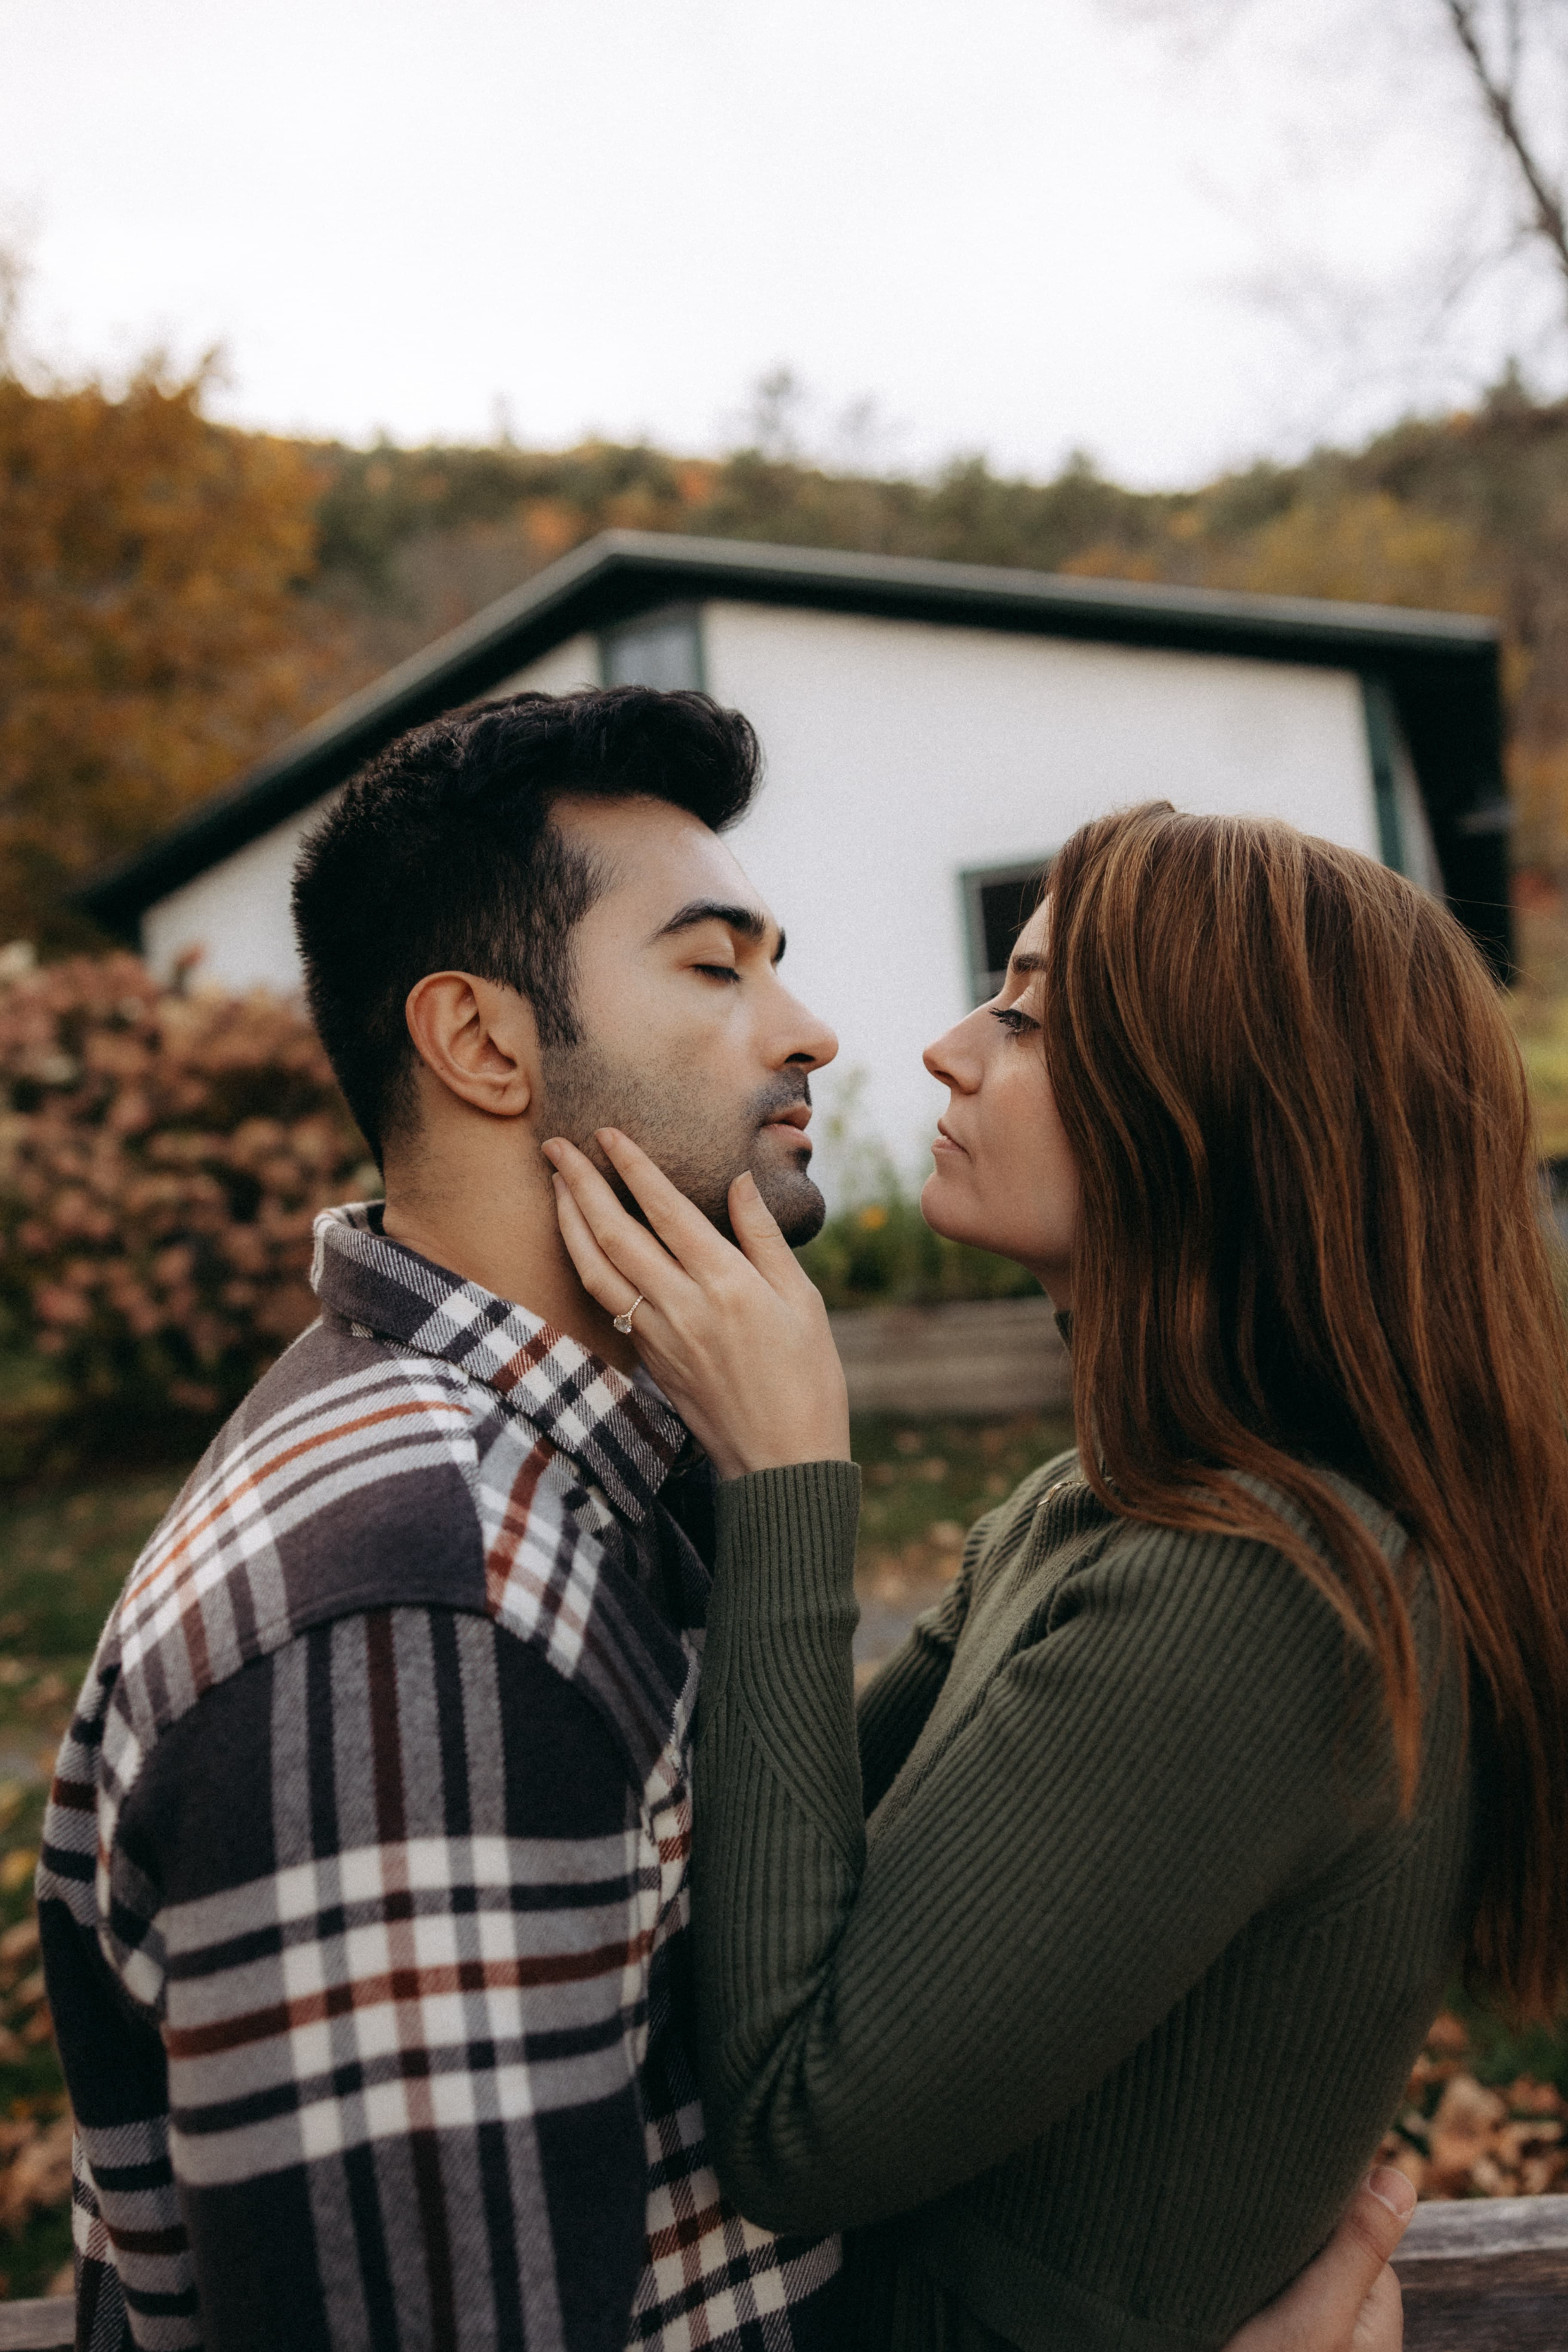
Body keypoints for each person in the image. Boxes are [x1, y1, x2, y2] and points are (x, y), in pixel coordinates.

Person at [38, 698, 1414, 2352]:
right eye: (715, 967)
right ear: (483, 1047)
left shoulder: (583, 1488)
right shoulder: (410, 1622)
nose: (820, 1033)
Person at [545, 797, 1568, 2351]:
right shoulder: (1098, 1513)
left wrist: (786, 1483)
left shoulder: (1258, 1591)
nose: (948, 1049)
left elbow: (796, 2123)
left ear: (1226, 1116)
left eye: (1026, 1018)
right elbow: (770, 1871)